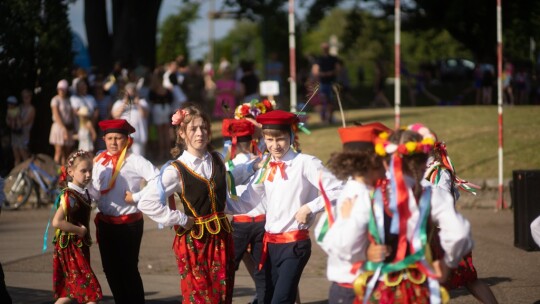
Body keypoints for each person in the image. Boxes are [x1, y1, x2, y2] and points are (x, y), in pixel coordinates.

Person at [323, 125, 474, 303]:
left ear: (385, 160)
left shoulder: (369, 195)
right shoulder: (433, 193)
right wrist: (448, 264)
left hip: (381, 288)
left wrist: (360, 246)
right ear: (423, 161)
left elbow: (340, 245)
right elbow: (460, 234)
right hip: (420, 287)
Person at [239, 110, 343, 303]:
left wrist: (310, 207)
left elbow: (338, 188)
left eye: (280, 139)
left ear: (291, 137)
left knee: (282, 299)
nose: (274, 145)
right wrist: (218, 205)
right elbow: (248, 199)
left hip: (294, 244)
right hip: (268, 245)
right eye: (269, 140)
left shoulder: (306, 163)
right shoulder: (266, 165)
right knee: (265, 298)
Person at [137, 103, 237, 303]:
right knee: (198, 296)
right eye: (193, 129)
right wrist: (180, 218)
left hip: (221, 239)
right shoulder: (176, 170)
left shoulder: (216, 159)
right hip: (195, 241)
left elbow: (227, 186)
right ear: (181, 133)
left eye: (203, 128)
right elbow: (146, 202)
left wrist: (255, 167)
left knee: (222, 296)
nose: (200, 133)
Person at [316, 122, 390, 304]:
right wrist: (365, 253)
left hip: (357, 286)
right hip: (354, 289)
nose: (389, 163)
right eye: (386, 157)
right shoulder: (359, 197)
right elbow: (339, 244)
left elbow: (322, 234)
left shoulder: (360, 191)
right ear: (373, 160)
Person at [89, 119, 159, 304]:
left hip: (129, 223)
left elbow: (158, 179)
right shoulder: (99, 159)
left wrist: (138, 196)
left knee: (128, 269)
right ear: (104, 139)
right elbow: (94, 189)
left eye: (118, 138)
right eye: (110, 138)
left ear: (127, 140)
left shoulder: (135, 161)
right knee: (110, 269)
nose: (113, 142)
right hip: (105, 222)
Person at [425, 134, 498, 304]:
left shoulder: (439, 171)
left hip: (444, 234)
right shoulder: (421, 170)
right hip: (430, 235)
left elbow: (444, 201)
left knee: (469, 279)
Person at [222, 118, 267, 304]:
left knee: (228, 267)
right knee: (262, 269)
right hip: (263, 222)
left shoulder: (227, 166)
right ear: (251, 141)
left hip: (240, 223)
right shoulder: (261, 161)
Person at [50, 150, 102, 304]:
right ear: (71, 172)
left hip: (79, 246)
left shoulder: (82, 192)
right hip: (72, 247)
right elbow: (57, 222)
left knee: (69, 290)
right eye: (83, 171)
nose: (88, 174)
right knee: (92, 292)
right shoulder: (71, 196)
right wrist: (80, 230)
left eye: (90, 170)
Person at [111, 82, 150, 156]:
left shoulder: (142, 102)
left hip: (138, 137)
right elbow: (115, 115)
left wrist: (137, 103)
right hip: (123, 136)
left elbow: (145, 115)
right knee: (124, 157)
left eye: (133, 92)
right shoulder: (119, 103)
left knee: (138, 157)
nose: (130, 95)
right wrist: (125, 102)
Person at [49, 79, 76, 165]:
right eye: (60, 89)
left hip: (68, 127)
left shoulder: (69, 100)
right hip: (59, 127)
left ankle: (65, 172)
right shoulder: (55, 100)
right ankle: (56, 173)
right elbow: (56, 115)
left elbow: (72, 115)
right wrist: (63, 128)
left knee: (67, 152)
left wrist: (72, 127)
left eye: (63, 89)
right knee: (59, 151)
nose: (62, 91)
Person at [315, 43, 338, 123]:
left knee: (331, 102)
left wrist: (331, 73)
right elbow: (315, 71)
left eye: (326, 48)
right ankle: (323, 118)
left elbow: (337, 69)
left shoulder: (333, 58)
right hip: (322, 83)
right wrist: (322, 74)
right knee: (322, 102)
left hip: (331, 83)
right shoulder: (319, 59)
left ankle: (330, 118)